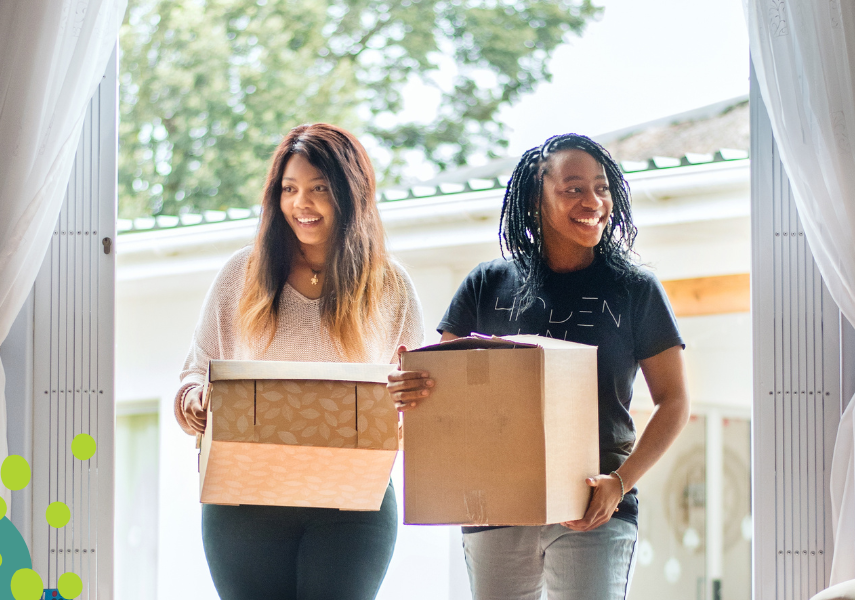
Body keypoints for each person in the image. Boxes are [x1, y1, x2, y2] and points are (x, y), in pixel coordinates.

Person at [387, 133, 690, 600]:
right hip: (494, 504)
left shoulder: (635, 290)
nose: (593, 201)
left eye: (602, 187)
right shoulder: (487, 283)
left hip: (594, 506)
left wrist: (619, 483)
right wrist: (410, 390)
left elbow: (674, 402)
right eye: (573, 188)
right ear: (536, 199)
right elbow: (440, 387)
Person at [174, 123, 424, 600]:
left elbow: (421, 401)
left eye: (319, 190)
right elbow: (194, 372)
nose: (300, 204)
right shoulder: (240, 275)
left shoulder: (390, 285)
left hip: (354, 506)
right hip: (244, 502)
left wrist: (416, 401)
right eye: (289, 190)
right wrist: (193, 402)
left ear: (351, 194)